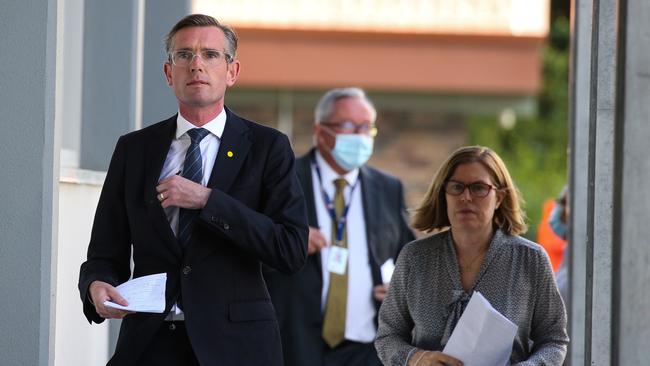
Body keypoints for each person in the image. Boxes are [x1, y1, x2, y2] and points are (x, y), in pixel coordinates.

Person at [78, 14, 308, 366]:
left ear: (232, 72)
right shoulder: (134, 149)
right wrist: (97, 285)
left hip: (236, 347)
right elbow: (104, 253)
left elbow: (290, 250)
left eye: (210, 55)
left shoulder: (267, 147)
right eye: (183, 55)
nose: (196, 64)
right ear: (169, 74)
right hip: (150, 345)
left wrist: (208, 201)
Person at [375, 146, 568, 366]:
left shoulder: (530, 260)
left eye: (478, 188)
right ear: (444, 194)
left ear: (499, 198)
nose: (466, 198)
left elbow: (554, 340)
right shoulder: (415, 258)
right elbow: (387, 336)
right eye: (456, 187)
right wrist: (417, 359)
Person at [264, 87, 415, 366]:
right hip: (294, 344)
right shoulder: (282, 180)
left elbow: (409, 257)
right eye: (348, 126)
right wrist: (287, 240)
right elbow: (249, 247)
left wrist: (401, 289)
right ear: (320, 131)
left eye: (366, 127)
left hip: (366, 349)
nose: (359, 136)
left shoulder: (387, 188)